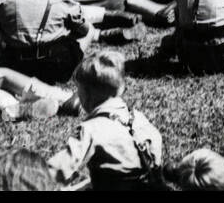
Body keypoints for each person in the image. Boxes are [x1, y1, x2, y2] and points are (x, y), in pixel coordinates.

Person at [46, 50, 163, 191]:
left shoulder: (91, 129)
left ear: (86, 95)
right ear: (120, 89)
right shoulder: (138, 117)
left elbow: (57, 169)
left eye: (79, 90)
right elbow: (156, 148)